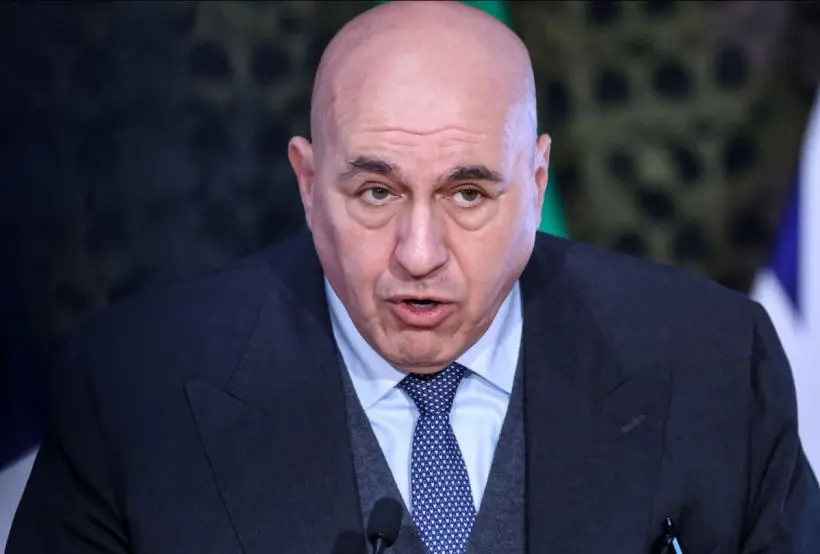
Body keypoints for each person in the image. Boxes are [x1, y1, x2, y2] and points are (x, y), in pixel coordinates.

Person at [8, 1, 820, 553]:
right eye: (376, 192)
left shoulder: (715, 363)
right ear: (306, 183)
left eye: (468, 194)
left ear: (535, 182)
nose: (420, 253)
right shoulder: (133, 392)